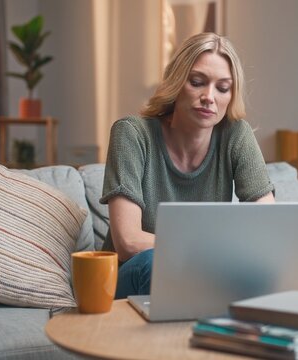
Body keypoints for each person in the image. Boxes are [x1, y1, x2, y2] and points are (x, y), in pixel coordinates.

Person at [99, 32, 275, 299]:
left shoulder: (236, 135)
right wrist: (213, 252)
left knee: (263, 274)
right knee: (154, 261)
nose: (209, 97)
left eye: (222, 88)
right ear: (177, 82)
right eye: (197, 82)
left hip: (202, 273)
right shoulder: (132, 133)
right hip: (131, 274)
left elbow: (270, 226)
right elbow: (128, 243)